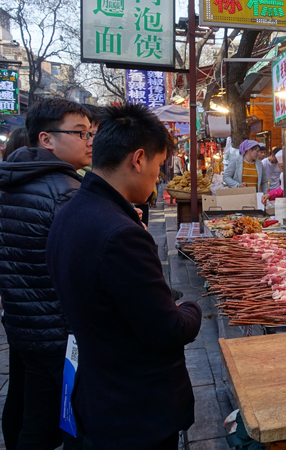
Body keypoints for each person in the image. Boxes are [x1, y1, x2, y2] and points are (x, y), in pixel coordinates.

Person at [46, 103, 202, 450]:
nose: (157, 178)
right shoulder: (120, 234)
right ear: (138, 160)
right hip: (133, 411)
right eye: (159, 167)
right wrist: (192, 309)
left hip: (99, 394)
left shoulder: (71, 211)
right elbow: (168, 330)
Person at [0, 98, 92, 450]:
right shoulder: (64, 194)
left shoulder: (13, 179)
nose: (88, 141)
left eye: (90, 133)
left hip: (22, 321)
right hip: (57, 331)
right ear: (46, 139)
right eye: (79, 133)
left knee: (30, 413)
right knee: (65, 422)